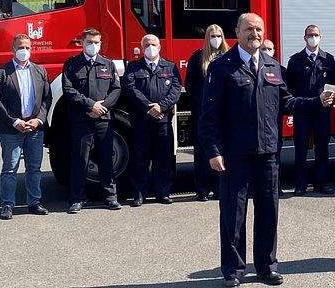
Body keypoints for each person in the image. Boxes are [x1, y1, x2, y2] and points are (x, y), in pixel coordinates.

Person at [199, 13, 333, 287]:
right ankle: (233, 271)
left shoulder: (272, 66)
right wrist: (213, 151)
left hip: (268, 154)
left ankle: (266, 266)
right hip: (234, 154)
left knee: (268, 212)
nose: (255, 34)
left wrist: (317, 101)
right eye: (249, 29)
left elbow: (288, 103)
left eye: (259, 29)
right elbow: (208, 116)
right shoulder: (222, 67)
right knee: (233, 215)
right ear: (237, 31)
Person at [0, 34, 53, 220]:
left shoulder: (40, 71)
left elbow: (47, 98)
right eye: (20, 47)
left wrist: (39, 120)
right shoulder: (1, 72)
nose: (23, 50)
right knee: (10, 168)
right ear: (12, 49)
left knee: (34, 168)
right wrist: (15, 121)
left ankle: (34, 202)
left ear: (31, 49)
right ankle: (7, 205)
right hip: (11, 129)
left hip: (35, 128)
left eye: (27, 47)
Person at [62, 27, 122, 213]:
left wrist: (102, 107)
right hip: (82, 119)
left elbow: (116, 89)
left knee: (106, 159)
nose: (93, 46)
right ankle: (77, 198)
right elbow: (69, 90)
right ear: (82, 43)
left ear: (100, 44)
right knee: (80, 159)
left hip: (104, 119)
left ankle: (110, 197)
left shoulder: (108, 64)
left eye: (96, 43)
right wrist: (90, 105)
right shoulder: (72, 65)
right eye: (89, 42)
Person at [123, 34, 182, 206]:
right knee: (140, 158)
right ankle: (139, 194)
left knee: (163, 158)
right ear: (142, 48)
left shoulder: (170, 67)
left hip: (162, 121)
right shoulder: (133, 68)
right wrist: (149, 107)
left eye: (153, 44)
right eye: (147, 45)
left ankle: (162, 192)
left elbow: (176, 90)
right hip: (141, 120)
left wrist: (161, 107)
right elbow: (130, 89)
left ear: (159, 47)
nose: (150, 47)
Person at [286, 24, 335, 196]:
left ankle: (321, 182)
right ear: (304, 38)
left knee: (322, 148)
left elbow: (334, 85)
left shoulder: (328, 59)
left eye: (316, 35)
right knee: (300, 148)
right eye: (310, 35)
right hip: (302, 111)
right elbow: (289, 87)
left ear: (320, 37)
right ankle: (300, 184)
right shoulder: (295, 60)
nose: (313, 38)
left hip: (322, 111)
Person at [185, 24, 228, 201]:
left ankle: (219, 188)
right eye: (212, 36)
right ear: (207, 38)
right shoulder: (197, 57)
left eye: (218, 35)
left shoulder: (228, 57)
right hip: (203, 113)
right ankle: (202, 189)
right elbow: (190, 85)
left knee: (221, 150)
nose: (215, 39)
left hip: (224, 114)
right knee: (203, 151)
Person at [260, 38, 286, 197]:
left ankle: (276, 186)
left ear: (275, 51)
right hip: (256, 120)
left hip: (274, 120)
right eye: (263, 48)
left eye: (269, 49)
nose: (266, 52)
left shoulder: (280, 70)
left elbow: (287, 95)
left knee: (274, 156)